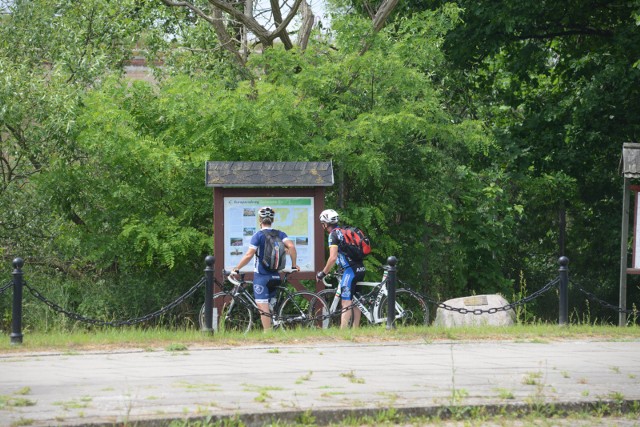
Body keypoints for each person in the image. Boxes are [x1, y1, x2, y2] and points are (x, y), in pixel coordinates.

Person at [231, 206, 299, 330]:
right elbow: (292, 247)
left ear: (260, 220)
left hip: (261, 277)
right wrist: (294, 265)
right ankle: (275, 322)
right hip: (276, 276)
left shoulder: (258, 235)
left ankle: (268, 334)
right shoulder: (280, 234)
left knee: (262, 307)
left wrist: (237, 268)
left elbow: (249, 255)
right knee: (270, 304)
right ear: (272, 220)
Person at [316, 209, 366, 328]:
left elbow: (332, 258)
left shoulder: (333, 235)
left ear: (325, 224)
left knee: (346, 301)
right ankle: (355, 329)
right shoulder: (343, 231)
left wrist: (323, 273)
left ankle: (343, 332)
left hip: (350, 271)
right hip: (360, 268)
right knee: (356, 300)